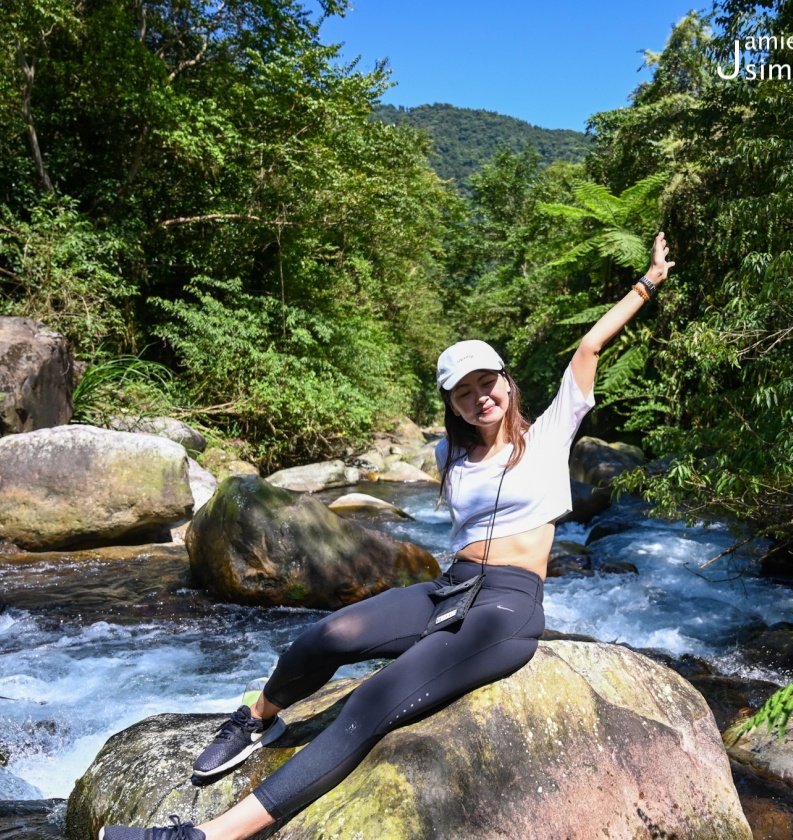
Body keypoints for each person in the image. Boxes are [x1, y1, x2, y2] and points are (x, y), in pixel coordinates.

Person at [99, 234, 674, 840]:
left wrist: (650, 279)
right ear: (451, 403)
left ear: (507, 380)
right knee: (325, 636)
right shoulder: (449, 452)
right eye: (464, 392)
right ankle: (256, 719)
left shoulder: (555, 431)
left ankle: (205, 837)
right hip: (450, 587)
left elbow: (590, 344)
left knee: (368, 704)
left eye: (489, 382)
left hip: (506, 609)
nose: (482, 398)